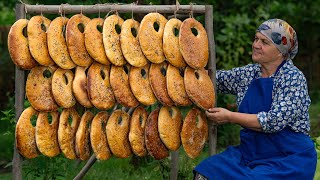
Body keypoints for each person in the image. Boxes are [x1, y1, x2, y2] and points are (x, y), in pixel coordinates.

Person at [193, 19, 317, 180]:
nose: (256, 45)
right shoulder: (250, 73)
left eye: (264, 42)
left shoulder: (293, 78)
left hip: (287, 159)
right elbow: (214, 80)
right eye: (256, 39)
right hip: (251, 153)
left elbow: (273, 122)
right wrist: (184, 69)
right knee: (205, 172)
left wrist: (230, 116)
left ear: (280, 51)